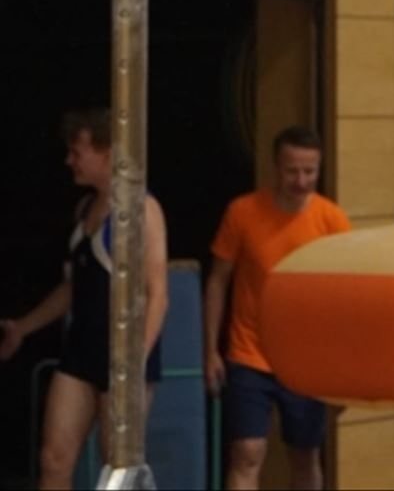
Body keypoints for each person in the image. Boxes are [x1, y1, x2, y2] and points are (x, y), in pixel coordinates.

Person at [0, 108, 168, 491]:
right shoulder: (85, 209)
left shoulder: (142, 210)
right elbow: (74, 290)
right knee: (54, 459)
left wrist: (135, 361)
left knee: (118, 471)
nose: (69, 161)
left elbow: (157, 294)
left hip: (122, 357)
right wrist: (22, 328)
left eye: (77, 152)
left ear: (107, 153)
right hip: (81, 352)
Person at [204, 125, 351, 491]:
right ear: (275, 168)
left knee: (304, 455)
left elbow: (345, 296)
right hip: (249, 353)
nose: (301, 181)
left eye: (309, 172)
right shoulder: (243, 212)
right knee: (247, 452)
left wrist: (345, 369)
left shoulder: (331, 220)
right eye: (292, 171)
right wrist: (210, 350)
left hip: (306, 359)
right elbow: (218, 280)